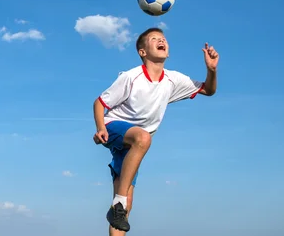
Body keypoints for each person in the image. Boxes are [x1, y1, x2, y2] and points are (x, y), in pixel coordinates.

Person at [92, 27, 219, 234]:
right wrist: (100, 129)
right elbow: (99, 103)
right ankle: (119, 203)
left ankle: (119, 206)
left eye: (163, 39)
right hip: (115, 127)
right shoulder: (131, 77)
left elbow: (208, 90)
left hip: (134, 146)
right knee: (143, 138)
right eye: (154, 39)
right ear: (142, 52)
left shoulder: (173, 80)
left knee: (125, 208)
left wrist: (211, 70)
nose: (161, 41)